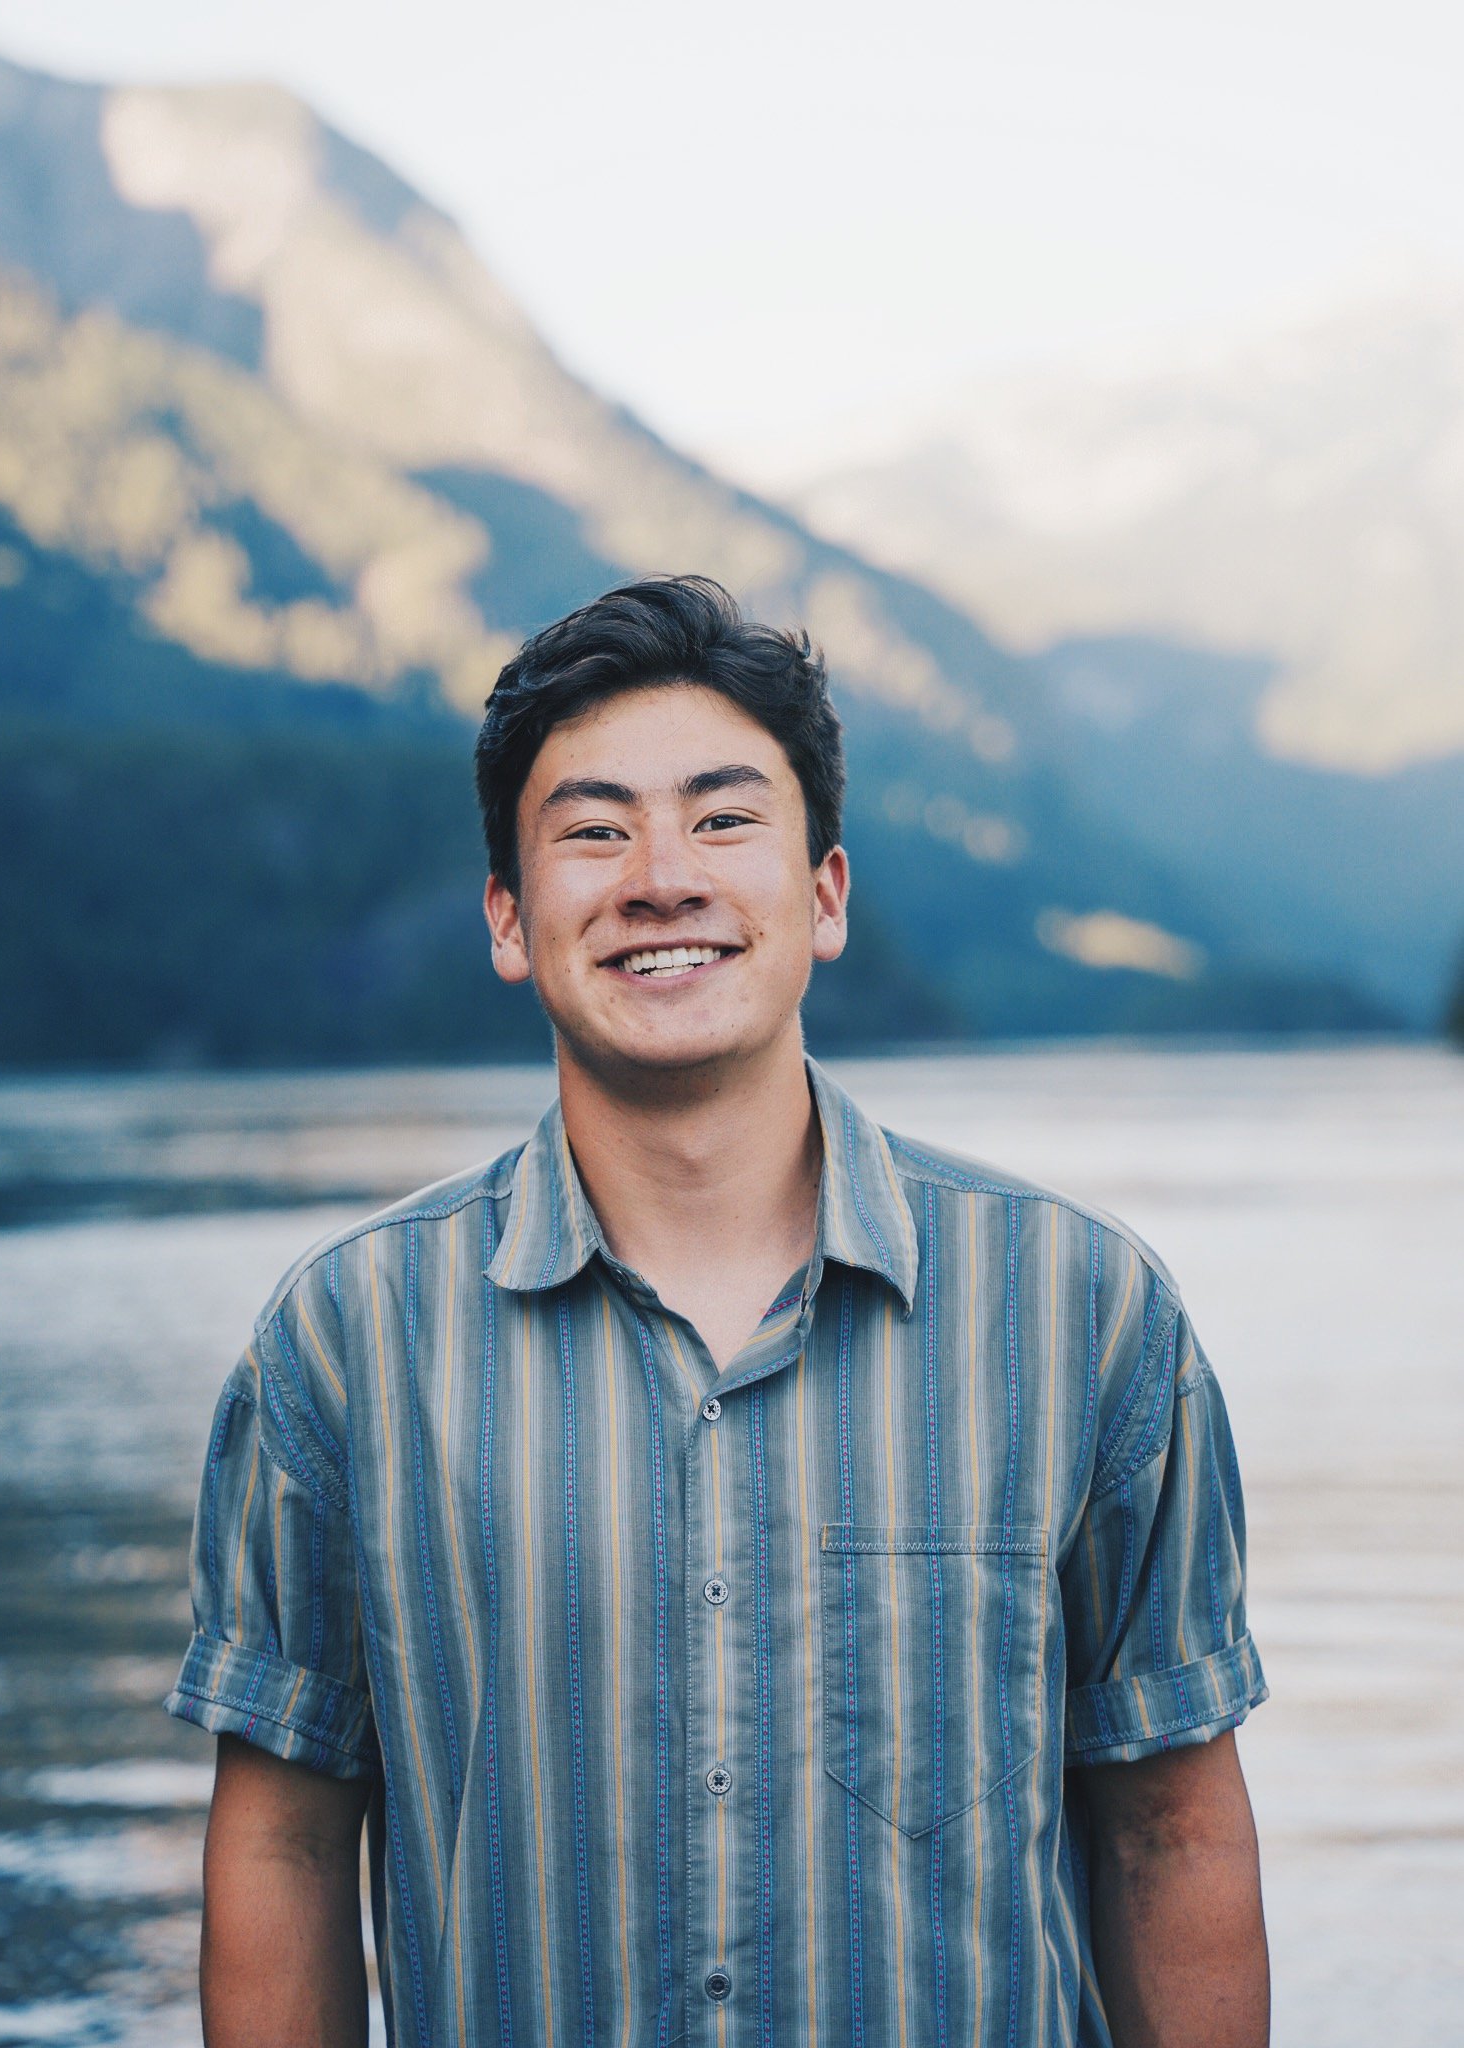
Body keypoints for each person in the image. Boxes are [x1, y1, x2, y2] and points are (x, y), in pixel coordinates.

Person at [167, 575, 1270, 2047]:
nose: (660, 877)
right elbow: (283, 1843)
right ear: (509, 917)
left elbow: (1168, 1830)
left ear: (821, 897)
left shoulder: (1081, 1313)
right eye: (593, 830)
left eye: (722, 816)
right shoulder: (346, 1341)